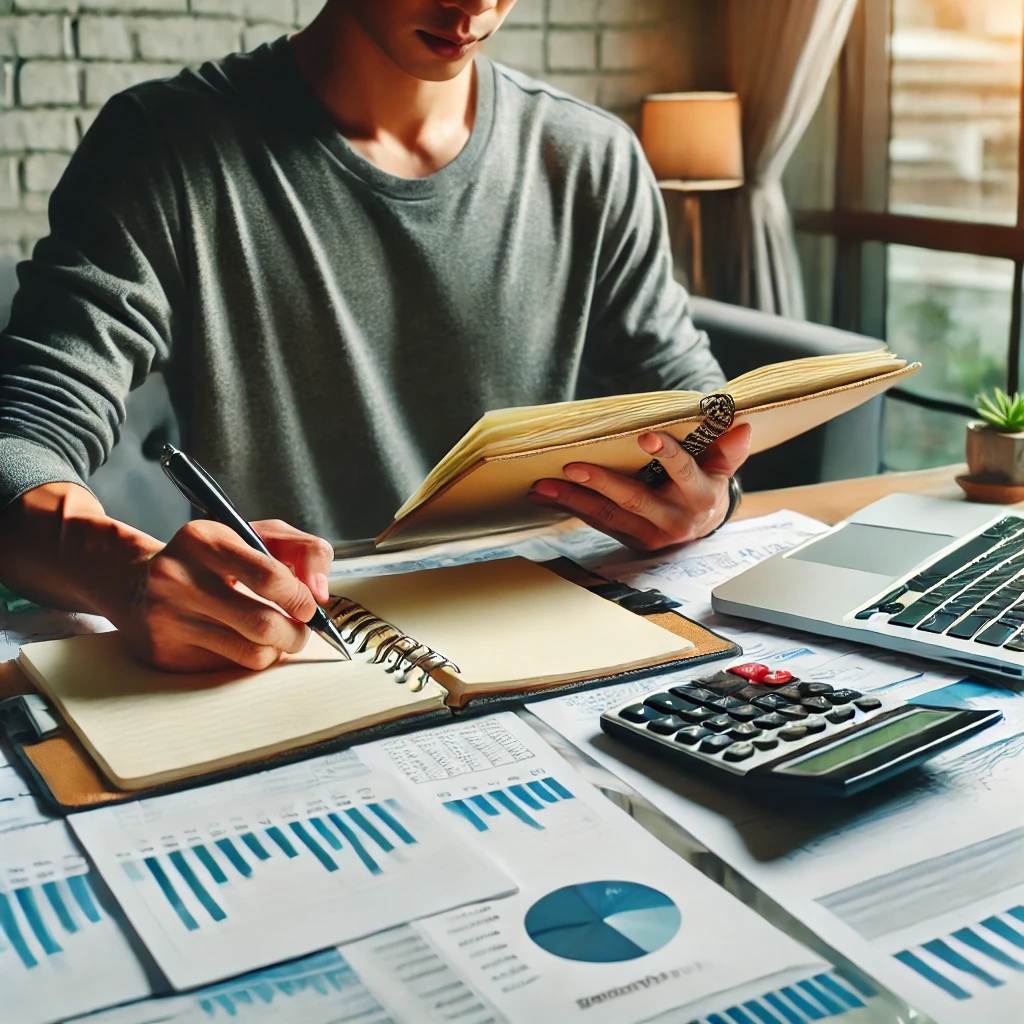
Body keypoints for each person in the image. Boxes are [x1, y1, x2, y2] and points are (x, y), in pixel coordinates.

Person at [0, 0, 751, 673]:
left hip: (561, 635)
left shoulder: (595, 156)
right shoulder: (163, 145)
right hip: (292, 655)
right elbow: (23, 436)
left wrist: (704, 499)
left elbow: (695, 406)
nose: (474, 5)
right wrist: (122, 571)